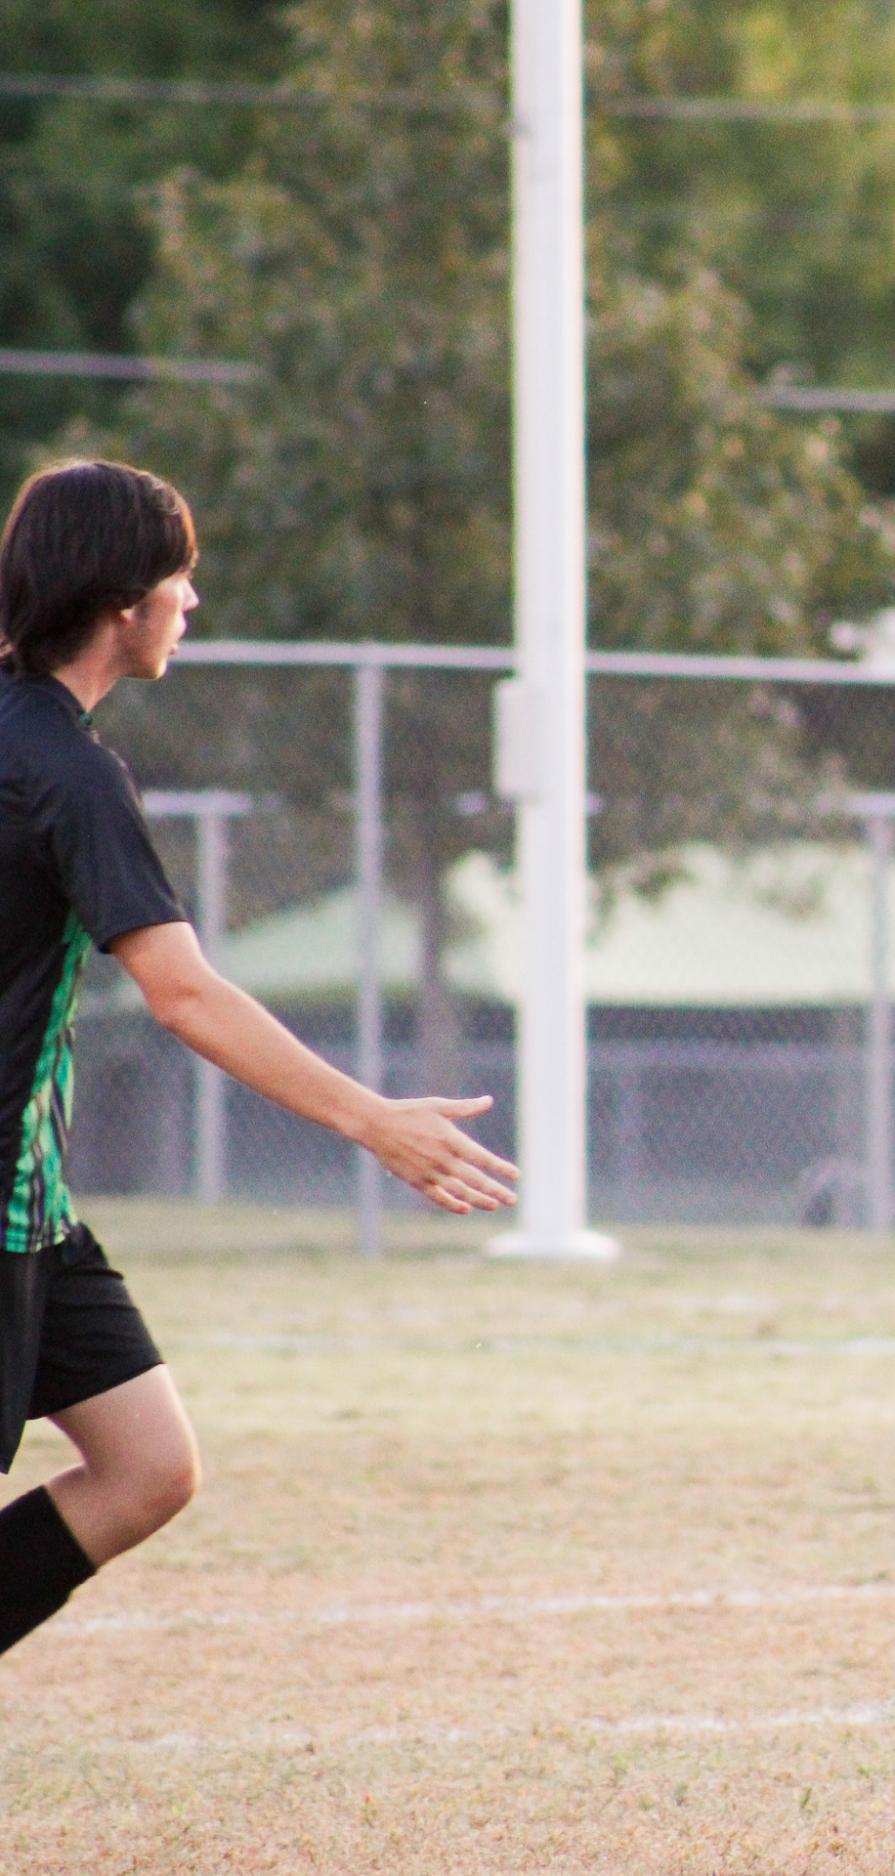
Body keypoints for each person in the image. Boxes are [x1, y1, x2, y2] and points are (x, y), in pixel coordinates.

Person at [0, 459, 519, 1666]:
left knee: (145, 1466)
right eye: (181, 578)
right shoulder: (66, 772)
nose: (192, 601)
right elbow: (182, 992)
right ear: (124, 601)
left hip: (34, 1204)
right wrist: (372, 1119)